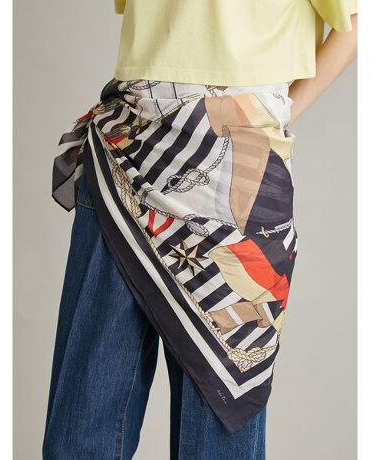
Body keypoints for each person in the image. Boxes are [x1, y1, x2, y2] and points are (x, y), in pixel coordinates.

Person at [43, 1, 358, 458]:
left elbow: (359, 20)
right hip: (129, 149)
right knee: (83, 420)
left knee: (220, 419)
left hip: (236, 163)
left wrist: (270, 116)